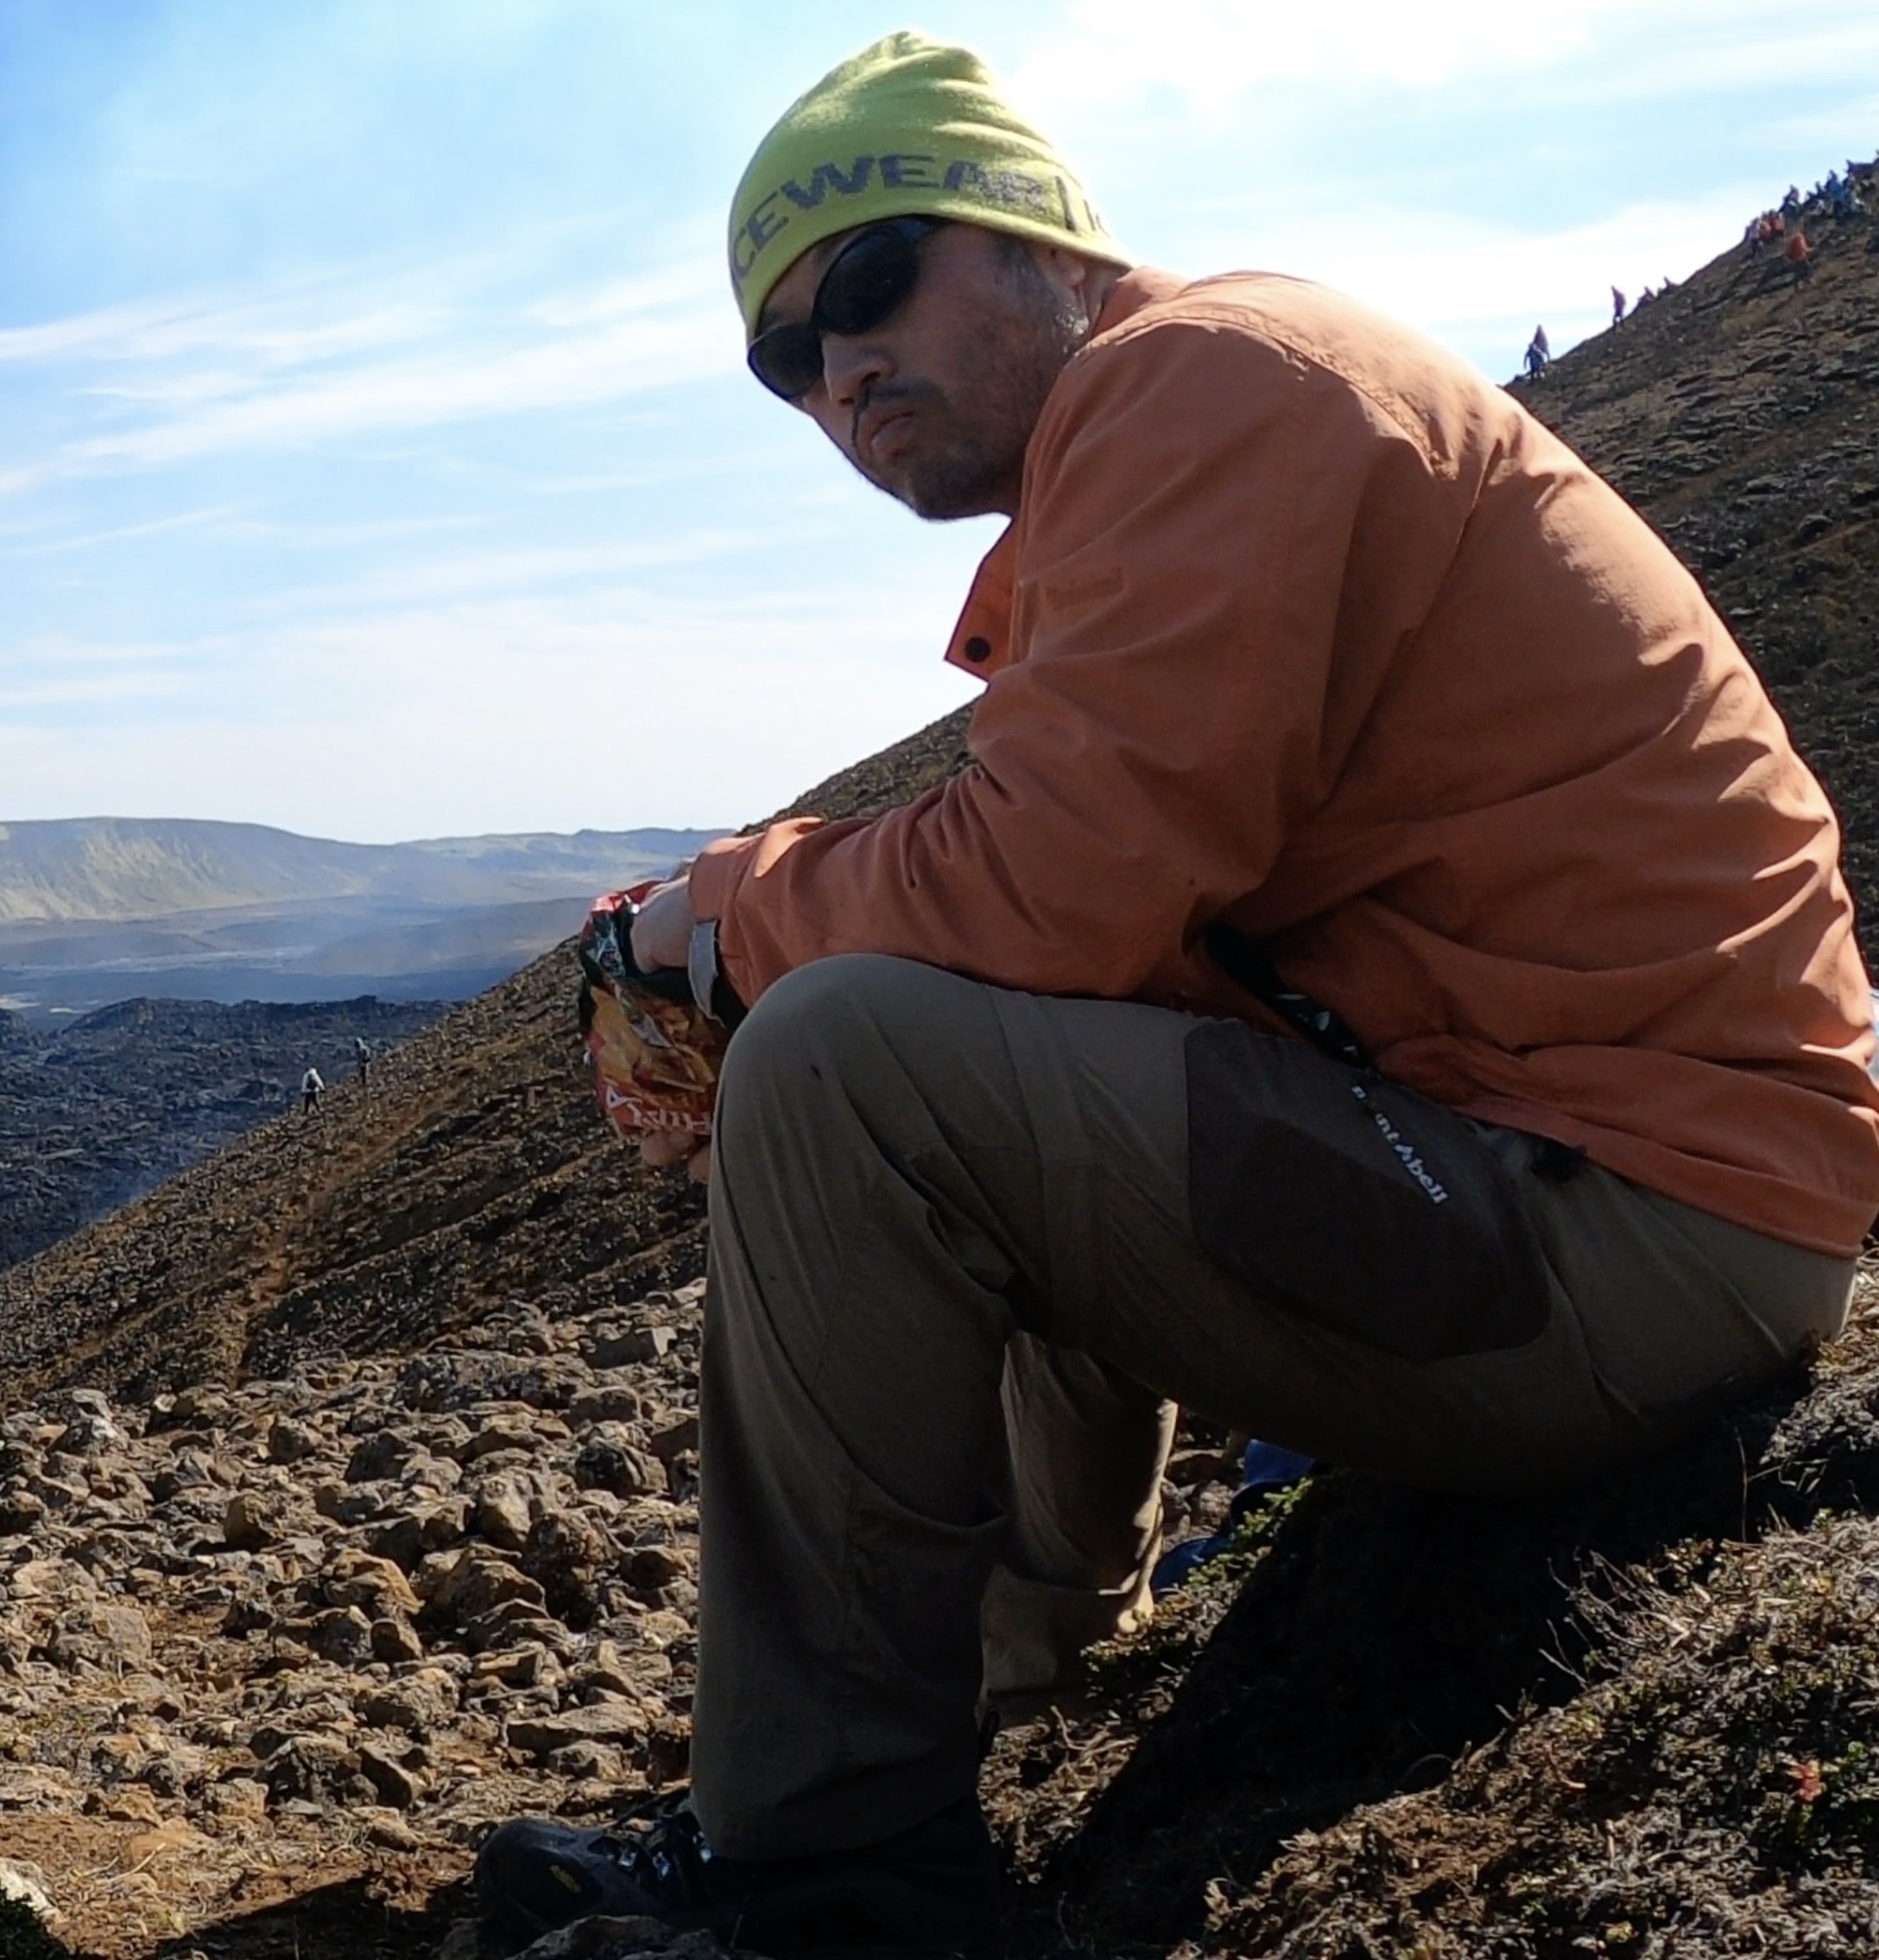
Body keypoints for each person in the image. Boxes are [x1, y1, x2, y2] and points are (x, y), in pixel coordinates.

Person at [483, 33, 1874, 1958]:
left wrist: (720, 924)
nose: (838, 371)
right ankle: (1017, 1680)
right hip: (1598, 1188)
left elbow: (1050, 888)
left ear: (1041, 236)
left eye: (871, 283)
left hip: (1635, 1229)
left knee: (840, 1059)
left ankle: (825, 1875)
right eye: (784, 357)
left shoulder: (1201, 387)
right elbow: (1088, 941)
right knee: (971, 1041)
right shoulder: (1166, 435)